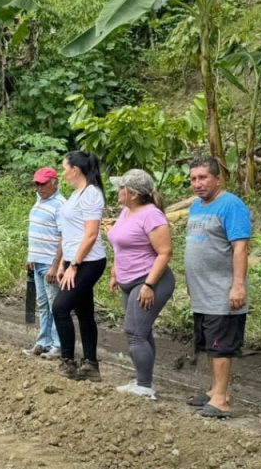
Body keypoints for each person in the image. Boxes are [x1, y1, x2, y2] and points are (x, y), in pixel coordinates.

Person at [184, 157, 251, 418]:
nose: (197, 183)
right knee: (209, 344)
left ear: (218, 179)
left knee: (220, 345)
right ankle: (214, 390)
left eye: (203, 178)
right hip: (202, 292)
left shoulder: (231, 205)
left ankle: (222, 399)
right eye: (193, 179)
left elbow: (240, 248)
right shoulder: (196, 207)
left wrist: (238, 286)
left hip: (222, 291)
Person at [107, 169, 176, 400]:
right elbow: (120, 244)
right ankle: (142, 380)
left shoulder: (151, 216)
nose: (118, 191)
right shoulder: (127, 211)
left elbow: (165, 252)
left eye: (122, 188)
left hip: (149, 280)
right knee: (141, 332)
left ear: (134, 194)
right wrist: (115, 271)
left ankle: (144, 387)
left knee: (134, 332)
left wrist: (148, 285)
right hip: (129, 279)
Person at [52, 151, 108, 381]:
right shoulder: (76, 194)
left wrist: (74, 265)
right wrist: (63, 263)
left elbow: (91, 234)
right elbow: (70, 233)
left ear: (75, 170)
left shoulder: (91, 194)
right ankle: (91, 364)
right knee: (84, 313)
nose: (63, 172)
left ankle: (68, 361)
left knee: (60, 308)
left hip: (89, 262)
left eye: (64, 168)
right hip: (74, 260)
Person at [23, 166, 66, 359]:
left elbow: (64, 237)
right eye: (37, 184)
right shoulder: (39, 201)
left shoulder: (61, 205)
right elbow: (35, 230)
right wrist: (31, 256)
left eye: (43, 184)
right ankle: (43, 342)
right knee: (42, 304)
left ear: (54, 183)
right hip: (37, 261)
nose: (39, 188)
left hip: (50, 263)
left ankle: (58, 345)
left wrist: (56, 266)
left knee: (55, 305)